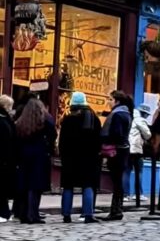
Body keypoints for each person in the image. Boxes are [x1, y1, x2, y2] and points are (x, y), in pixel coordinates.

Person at [59, 91, 101, 224]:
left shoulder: (68, 118)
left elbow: (62, 140)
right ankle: (88, 214)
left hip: (70, 158)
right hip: (88, 157)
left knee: (68, 186)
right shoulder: (93, 118)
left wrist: (62, 155)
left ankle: (66, 215)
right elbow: (98, 140)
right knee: (88, 185)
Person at [15, 94, 56, 224]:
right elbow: (53, 135)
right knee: (35, 186)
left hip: (24, 155)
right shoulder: (45, 120)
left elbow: (16, 139)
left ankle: (23, 214)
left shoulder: (21, 121)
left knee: (25, 185)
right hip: (40, 155)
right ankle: (33, 214)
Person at [101, 91, 132, 221]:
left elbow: (116, 134)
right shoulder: (127, 113)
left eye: (110, 99)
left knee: (116, 181)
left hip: (116, 150)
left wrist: (105, 141)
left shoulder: (117, 114)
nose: (108, 101)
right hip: (124, 149)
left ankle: (116, 210)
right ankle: (117, 209)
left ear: (117, 101)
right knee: (118, 181)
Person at [127, 103, 152, 206]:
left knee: (126, 171)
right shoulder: (140, 120)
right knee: (139, 171)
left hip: (126, 147)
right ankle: (138, 194)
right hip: (135, 149)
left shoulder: (129, 117)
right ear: (144, 113)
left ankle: (125, 194)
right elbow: (148, 134)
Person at [0, 94, 15, 222]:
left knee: (3, 188)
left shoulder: (7, 119)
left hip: (6, 160)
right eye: (10, 106)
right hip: (4, 159)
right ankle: (4, 212)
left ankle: (5, 213)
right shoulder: (3, 120)